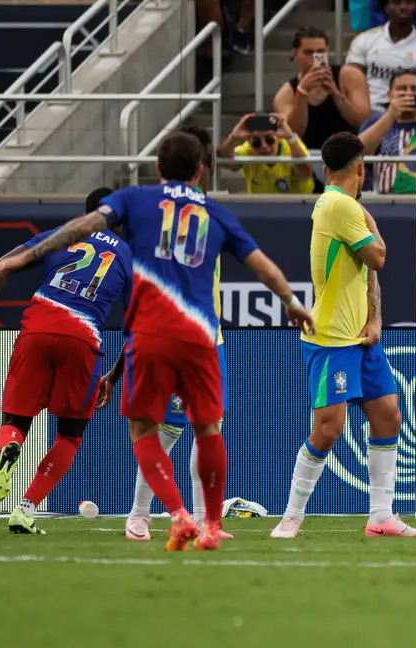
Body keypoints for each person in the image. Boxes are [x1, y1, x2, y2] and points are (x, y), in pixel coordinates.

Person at [0, 131, 315, 551]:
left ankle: (175, 515)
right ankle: (209, 524)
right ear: (200, 170)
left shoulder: (135, 200)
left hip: (150, 333)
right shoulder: (216, 213)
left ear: (157, 168)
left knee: (144, 430)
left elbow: (81, 227)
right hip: (200, 335)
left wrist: (23, 257)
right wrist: (290, 301)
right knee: (208, 429)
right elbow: (262, 265)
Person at [271, 132, 416, 539]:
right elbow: (378, 256)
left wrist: (375, 321)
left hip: (359, 338)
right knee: (327, 428)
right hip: (331, 340)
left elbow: (367, 272)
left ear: (325, 170)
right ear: (361, 170)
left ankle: (381, 516)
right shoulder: (340, 205)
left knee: (388, 414)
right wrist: (372, 221)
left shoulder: (342, 206)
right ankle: (291, 516)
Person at [0, 189, 132, 535]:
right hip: (83, 338)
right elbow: (137, 330)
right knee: (70, 435)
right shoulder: (129, 257)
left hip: (38, 327)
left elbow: (0, 271)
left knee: (16, 420)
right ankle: (25, 510)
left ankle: (10, 446)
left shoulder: (58, 236)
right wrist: (113, 377)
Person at [119, 124, 232, 542]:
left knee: (205, 429)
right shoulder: (160, 220)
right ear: (200, 168)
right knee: (164, 430)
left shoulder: (212, 215)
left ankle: (204, 521)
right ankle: (141, 514)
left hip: (206, 338)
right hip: (166, 334)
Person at [274, 27, 369, 152]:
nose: (314, 58)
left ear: (327, 51)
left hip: (347, 153)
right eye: (308, 52)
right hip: (307, 156)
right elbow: (293, 134)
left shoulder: (349, 76)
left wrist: (336, 94)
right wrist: (302, 92)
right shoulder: (286, 93)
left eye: (320, 52)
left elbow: (363, 122)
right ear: (295, 53)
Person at [343, 0, 416, 114]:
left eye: (409, 2)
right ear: (386, 7)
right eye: (396, 2)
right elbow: (350, 78)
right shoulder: (364, 39)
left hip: (413, 112)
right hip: (372, 112)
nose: (403, 7)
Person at [217, 113, 314, 194]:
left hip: (297, 207)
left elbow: (305, 173)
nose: (264, 146)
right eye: (256, 142)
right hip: (259, 208)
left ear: (278, 137)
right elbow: (225, 162)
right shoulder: (248, 150)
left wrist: (290, 138)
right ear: (249, 141)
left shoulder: (292, 146)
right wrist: (232, 138)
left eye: (269, 139)